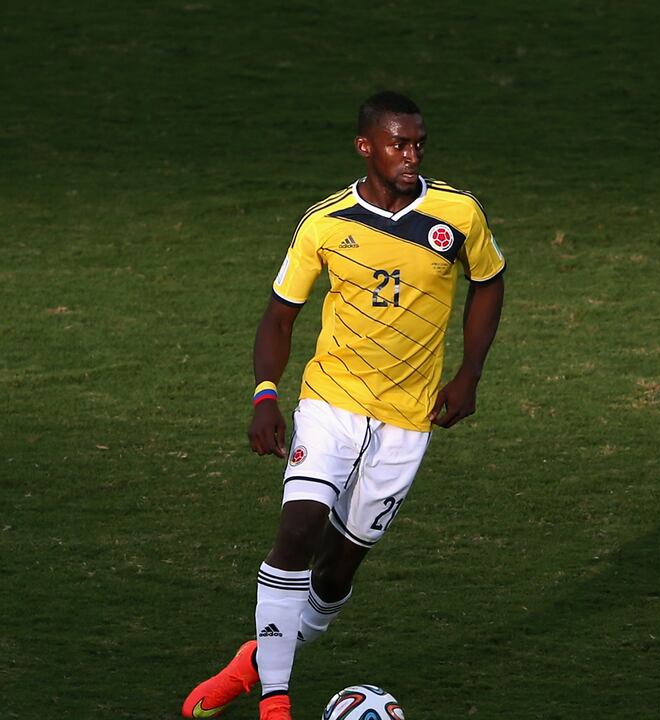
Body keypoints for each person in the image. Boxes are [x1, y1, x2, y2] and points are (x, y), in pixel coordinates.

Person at [182, 91, 506, 720]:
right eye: (398, 143)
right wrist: (265, 396)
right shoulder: (325, 223)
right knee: (297, 529)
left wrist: (470, 373)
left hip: (408, 419)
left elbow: (489, 282)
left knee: (334, 576)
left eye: (418, 143)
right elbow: (280, 317)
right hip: (330, 402)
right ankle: (276, 703)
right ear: (366, 147)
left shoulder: (457, 214)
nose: (411, 155)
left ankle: (255, 662)